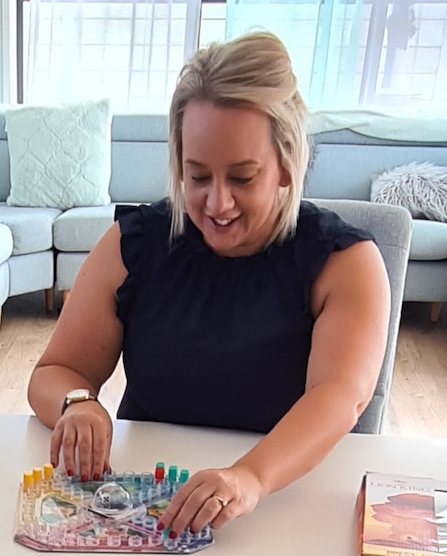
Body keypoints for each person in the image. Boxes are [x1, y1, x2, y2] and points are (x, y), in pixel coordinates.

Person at [27, 32, 390, 538]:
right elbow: (56, 370)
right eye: (197, 177)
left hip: (284, 503)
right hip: (147, 502)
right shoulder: (133, 244)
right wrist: (78, 403)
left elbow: (339, 397)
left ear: (287, 166)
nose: (217, 204)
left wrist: (250, 477)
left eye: (242, 178)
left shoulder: (345, 262)